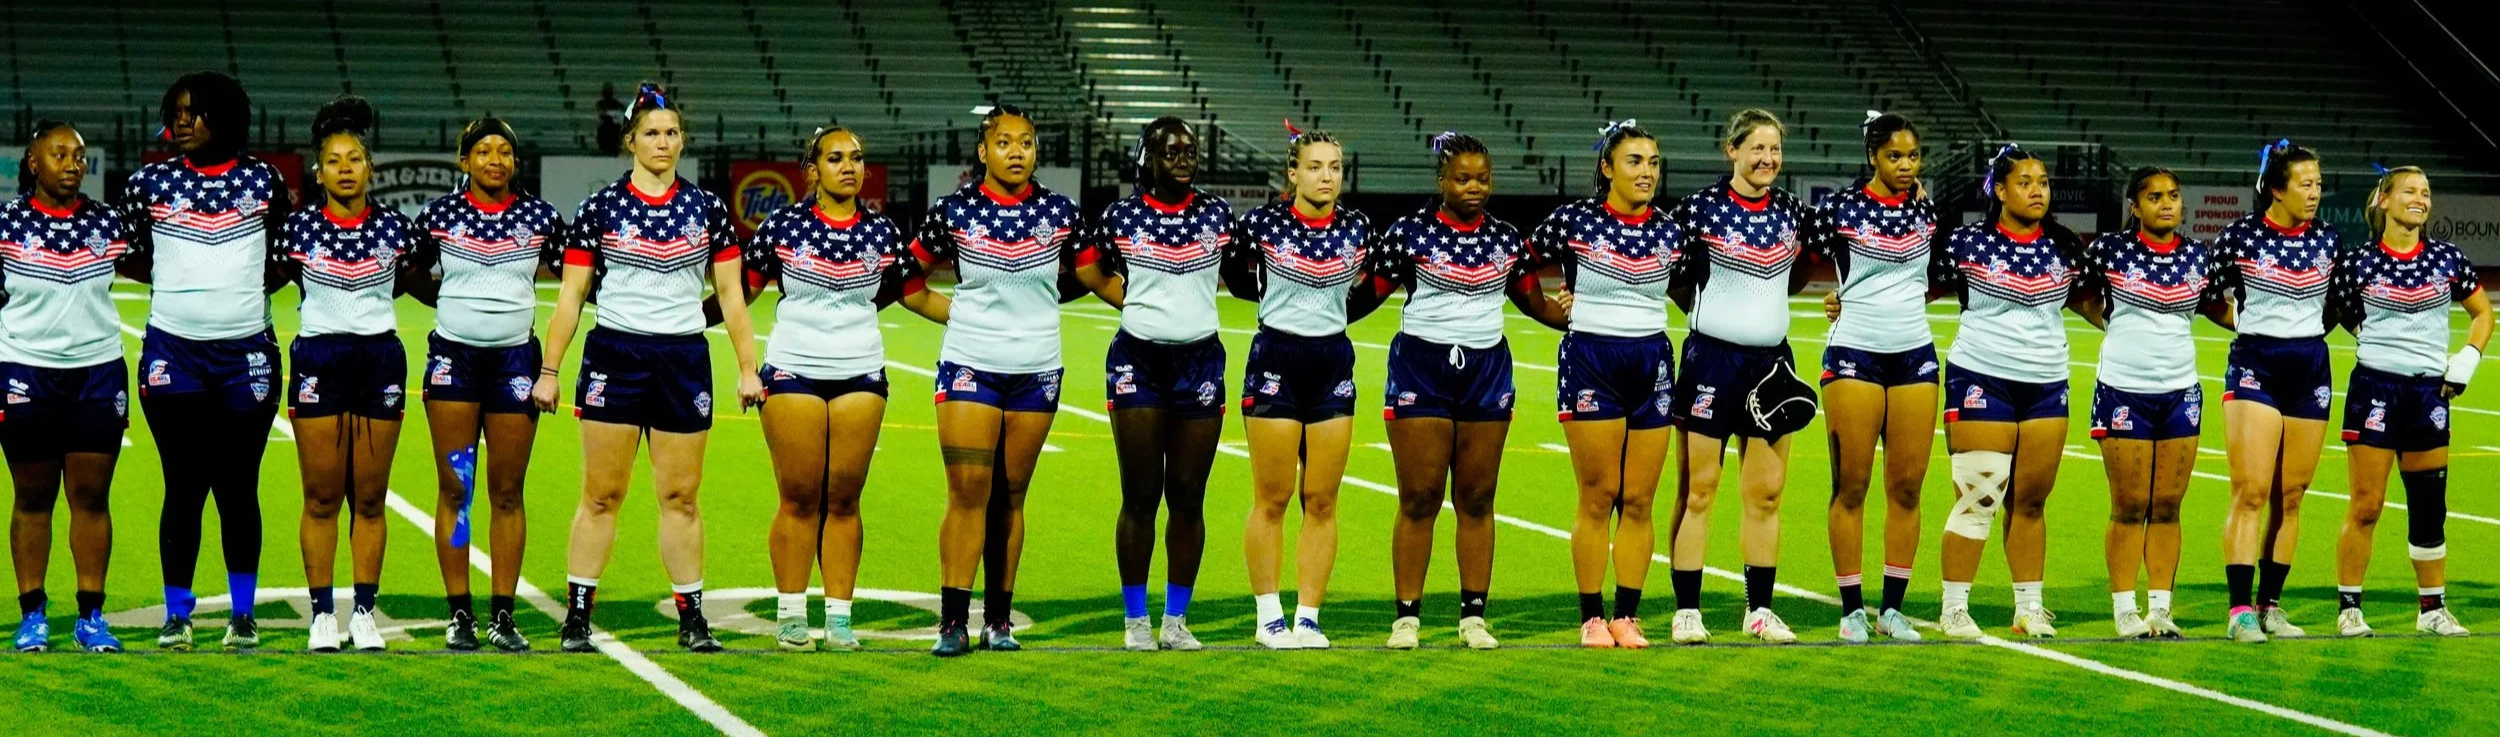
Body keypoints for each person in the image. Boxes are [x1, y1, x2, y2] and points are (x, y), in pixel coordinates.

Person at [533, 82, 762, 654]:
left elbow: (732, 297)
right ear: (630, 141)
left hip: (683, 359)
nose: (663, 142)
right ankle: (578, 616)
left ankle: (692, 618)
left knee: (681, 496)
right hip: (615, 353)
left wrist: (748, 368)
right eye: (651, 133)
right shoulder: (600, 208)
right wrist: (550, 369)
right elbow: (570, 297)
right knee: (602, 494)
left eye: (672, 133)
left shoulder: (708, 207)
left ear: (683, 141)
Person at [745, 125, 948, 651]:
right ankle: (791, 615)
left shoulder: (882, 231)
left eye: (856, 158)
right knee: (797, 498)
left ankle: (838, 619)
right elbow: (737, 292)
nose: (849, 166)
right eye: (835, 158)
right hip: (793, 369)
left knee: (844, 499)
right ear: (812, 170)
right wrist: (683, 322)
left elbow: (911, 294)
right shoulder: (783, 225)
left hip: (861, 371)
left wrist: (978, 318)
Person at [1368, 132, 1565, 651]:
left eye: (1482, 178)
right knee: (1420, 496)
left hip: (1486, 371)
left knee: (1477, 497)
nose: (1474, 187)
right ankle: (1406, 618)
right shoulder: (1409, 232)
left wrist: (1584, 315)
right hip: (1420, 368)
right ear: (1441, 181)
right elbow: (1364, 296)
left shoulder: (1505, 238)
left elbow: (1535, 304)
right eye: (1463, 178)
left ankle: (1473, 617)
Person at [119, 71, 293, 650]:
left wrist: (235, 300)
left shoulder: (264, 180)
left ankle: (242, 615)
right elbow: (135, 257)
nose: (183, 121)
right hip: (173, 353)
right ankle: (178, 614)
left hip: (247, 354)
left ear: (226, 115)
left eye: (195, 111)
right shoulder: (148, 182)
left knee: (239, 486)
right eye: (178, 111)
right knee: (183, 485)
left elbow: (283, 258)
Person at [906, 104, 1086, 657]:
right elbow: (908, 279)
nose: (1016, 152)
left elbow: (1088, 273)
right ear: (983, 152)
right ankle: (953, 622)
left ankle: (999, 621)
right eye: (1004, 142)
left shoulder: (1061, 212)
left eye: (1026, 143)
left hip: (1037, 368)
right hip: (970, 363)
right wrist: (957, 317)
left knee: (1011, 495)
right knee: (967, 492)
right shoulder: (953, 210)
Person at [406, 116, 568, 651]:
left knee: (506, 491)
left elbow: (577, 277)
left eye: (504, 152)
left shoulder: (540, 217)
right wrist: (451, 305)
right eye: (483, 152)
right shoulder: (439, 215)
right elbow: (410, 272)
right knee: (457, 487)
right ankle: (460, 614)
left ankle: (502, 614)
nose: (494, 160)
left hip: (515, 365)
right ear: (464, 161)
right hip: (454, 361)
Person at [1928, 144, 2098, 639]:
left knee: (2031, 502)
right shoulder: (1966, 243)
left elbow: (2091, 303)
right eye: (2025, 182)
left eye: (2042, 182)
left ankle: (2029, 606)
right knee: (1979, 497)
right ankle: (1954, 608)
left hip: (2047, 381)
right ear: (1999, 191)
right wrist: (1844, 303)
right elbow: (1916, 289)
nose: (2037, 190)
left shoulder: (2066, 246)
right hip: (1982, 376)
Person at [1073, 116, 1229, 652]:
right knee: (1140, 496)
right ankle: (1136, 620)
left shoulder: (1217, 214)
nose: (1182, 158)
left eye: (1189, 150)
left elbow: (1242, 272)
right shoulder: (1121, 215)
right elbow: (1088, 268)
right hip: (1137, 361)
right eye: (1170, 151)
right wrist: (1130, 301)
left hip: (1201, 362)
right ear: (1147, 157)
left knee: (1189, 497)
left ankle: (1176, 620)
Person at [1663, 109, 1814, 645]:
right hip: (1711, 362)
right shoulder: (1698, 209)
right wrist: (1711, 321)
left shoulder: (1794, 210)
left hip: (1772, 364)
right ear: (1732, 150)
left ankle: (1759, 610)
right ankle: (1687, 610)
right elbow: (1672, 277)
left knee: (1767, 495)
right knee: (1699, 489)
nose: (1768, 160)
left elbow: (1799, 273)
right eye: (1757, 149)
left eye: (1775, 151)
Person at [1223, 122, 1374, 650]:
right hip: (1277, 357)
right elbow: (1239, 280)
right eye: (1314, 166)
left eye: (1334, 167)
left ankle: (1308, 616)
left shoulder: (1358, 227)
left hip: (1333, 361)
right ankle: (1268, 618)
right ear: (1292, 174)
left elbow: (1368, 287)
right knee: (1272, 496)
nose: (1326, 176)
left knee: (1323, 500)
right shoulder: (1262, 223)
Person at [280, 96, 421, 652]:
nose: (344, 167)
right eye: (334, 160)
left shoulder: (397, 229)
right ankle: (321, 615)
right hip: (318, 357)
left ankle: (363, 611)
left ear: (370, 168)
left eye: (354, 159)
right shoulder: (296, 230)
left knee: (369, 496)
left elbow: (413, 279)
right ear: (319, 172)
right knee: (319, 496)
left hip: (380, 358)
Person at [2327, 165, 2490, 638]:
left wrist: (2467, 360)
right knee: (2366, 505)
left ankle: (2432, 610)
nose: (2420, 199)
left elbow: (2482, 314)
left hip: (2428, 394)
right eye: (2410, 191)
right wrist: (2368, 336)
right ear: (2384, 201)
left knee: (2428, 505)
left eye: (2426, 192)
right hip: (2375, 390)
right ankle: (2350, 607)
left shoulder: (2447, 258)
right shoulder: (2357, 262)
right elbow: (2331, 312)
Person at [1534, 120, 1677, 649]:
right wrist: (1552, 309)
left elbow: (1700, 283)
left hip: (1652, 360)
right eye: (1635, 161)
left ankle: (1627, 615)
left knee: (1640, 499)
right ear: (1607, 167)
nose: (1646, 172)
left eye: (1653, 162)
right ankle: (1592, 615)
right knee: (1598, 495)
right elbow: (1519, 264)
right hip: (1591, 358)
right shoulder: (1573, 221)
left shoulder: (1671, 228)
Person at [1808, 111, 1936, 643]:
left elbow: (1939, 278)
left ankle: (1893, 609)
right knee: (1852, 485)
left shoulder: (1928, 211)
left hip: (1915, 355)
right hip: (1855, 352)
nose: (1905, 166)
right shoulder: (1838, 207)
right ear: (1872, 157)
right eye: (1894, 156)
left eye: (1912, 156)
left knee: (1907, 488)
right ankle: (1852, 609)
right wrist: (1834, 298)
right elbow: (1799, 265)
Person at [3, 121, 131, 653]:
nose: (73, 163)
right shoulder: (6, 224)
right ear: (34, 163)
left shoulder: (108, 224)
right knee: (33, 496)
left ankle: (91, 616)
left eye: (79, 155)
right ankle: (33, 613)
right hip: (26, 371)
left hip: (98, 371)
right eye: (60, 154)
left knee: (90, 497)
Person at [2207, 140, 2340, 643]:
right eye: (2306, 184)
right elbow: (2207, 296)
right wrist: (2250, 324)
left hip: (2310, 367)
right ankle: (2239, 609)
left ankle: (2270, 606)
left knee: (2292, 495)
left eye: (2319, 184)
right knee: (2251, 491)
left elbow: (2336, 303)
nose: (2315, 193)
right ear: (2276, 188)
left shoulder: (2327, 237)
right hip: (2256, 365)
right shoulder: (2240, 235)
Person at [2079, 166, 2213, 639]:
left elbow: (2215, 305)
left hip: (2181, 391)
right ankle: (2124, 610)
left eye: (2173, 195)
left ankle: (2160, 608)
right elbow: (2082, 298)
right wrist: (2116, 331)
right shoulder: (2109, 250)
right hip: (2122, 389)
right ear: (2134, 206)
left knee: (2169, 505)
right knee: (2129, 504)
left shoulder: (2198, 255)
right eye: (2154, 197)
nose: (2166, 204)